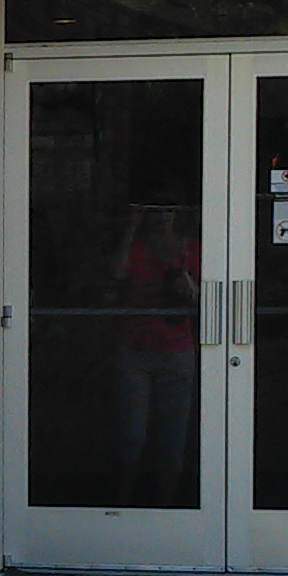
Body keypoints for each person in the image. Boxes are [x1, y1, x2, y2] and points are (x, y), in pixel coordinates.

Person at [113, 199, 200, 506]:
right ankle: (120, 505)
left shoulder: (191, 249)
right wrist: (130, 228)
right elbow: (117, 273)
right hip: (136, 349)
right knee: (132, 435)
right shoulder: (137, 247)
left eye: (169, 209)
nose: (163, 216)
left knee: (173, 438)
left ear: (178, 213)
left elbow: (210, 297)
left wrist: (190, 286)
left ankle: (168, 507)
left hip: (177, 350)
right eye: (157, 209)